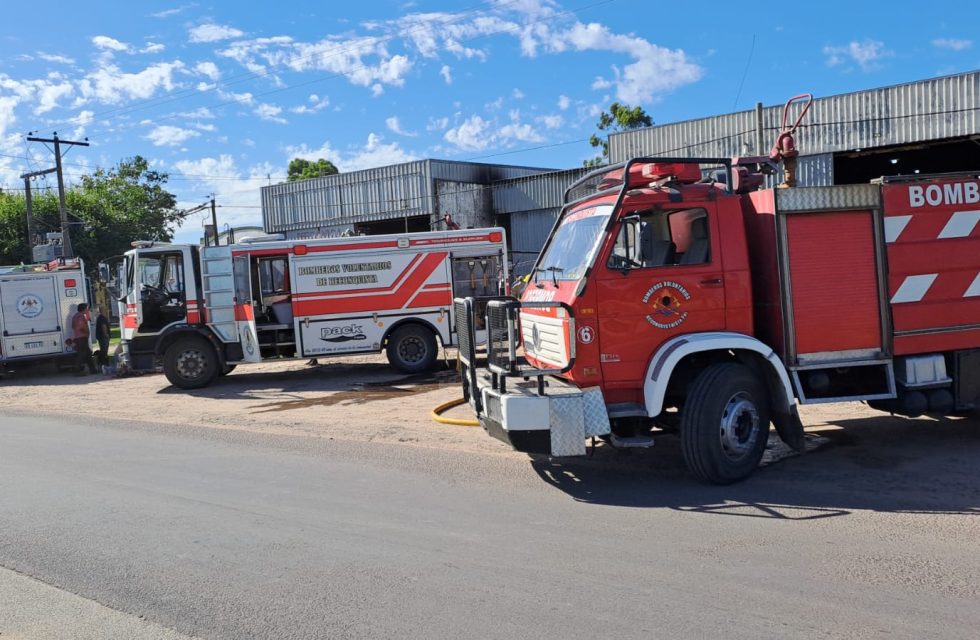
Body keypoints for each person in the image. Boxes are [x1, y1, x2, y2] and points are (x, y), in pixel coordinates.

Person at [72, 303, 97, 376]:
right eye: (87, 308)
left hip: (78, 337)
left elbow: (73, 326)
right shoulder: (80, 316)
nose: (88, 309)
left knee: (88, 354)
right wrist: (86, 332)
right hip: (81, 338)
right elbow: (81, 326)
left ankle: (93, 370)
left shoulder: (75, 316)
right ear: (84, 309)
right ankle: (77, 371)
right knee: (82, 354)